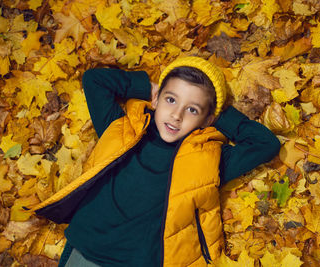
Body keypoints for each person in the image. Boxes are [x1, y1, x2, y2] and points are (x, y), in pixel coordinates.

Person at [29, 57, 280, 266]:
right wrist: (145, 88)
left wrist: (219, 115)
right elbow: (94, 80)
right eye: (171, 100)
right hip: (89, 248)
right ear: (157, 99)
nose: (177, 115)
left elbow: (265, 144)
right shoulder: (121, 128)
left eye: (192, 109)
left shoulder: (208, 159)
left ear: (206, 119)